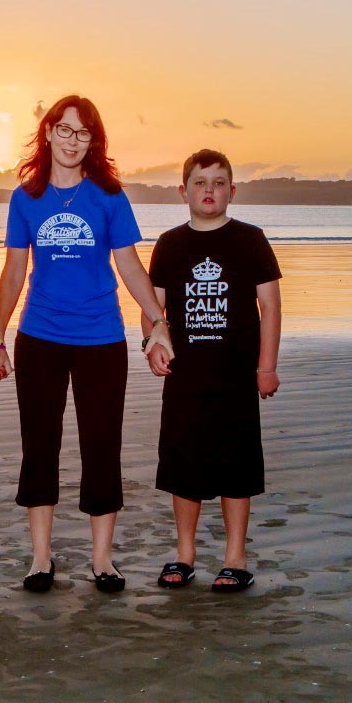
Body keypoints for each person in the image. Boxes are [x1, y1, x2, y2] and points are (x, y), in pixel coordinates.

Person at [0, 95, 173, 594]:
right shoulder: (26, 198)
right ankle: (41, 558)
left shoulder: (109, 196)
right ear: (47, 134)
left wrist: (157, 321)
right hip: (40, 337)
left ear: (93, 140)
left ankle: (102, 559)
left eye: (81, 132)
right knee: (38, 446)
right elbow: (15, 271)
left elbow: (129, 265)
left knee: (101, 447)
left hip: (101, 339)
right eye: (63, 130)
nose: (71, 139)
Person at [143, 149, 281, 593]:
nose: (209, 190)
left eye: (219, 183)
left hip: (237, 376)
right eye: (200, 182)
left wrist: (267, 366)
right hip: (185, 378)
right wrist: (153, 344)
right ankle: (184, 555)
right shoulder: (170, 244)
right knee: (183, 464)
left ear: (232, 191)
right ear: (183, 191)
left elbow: (271, 307)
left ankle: (235, 558)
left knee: (236, 465)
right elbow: (153, 307)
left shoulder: (250, 239)